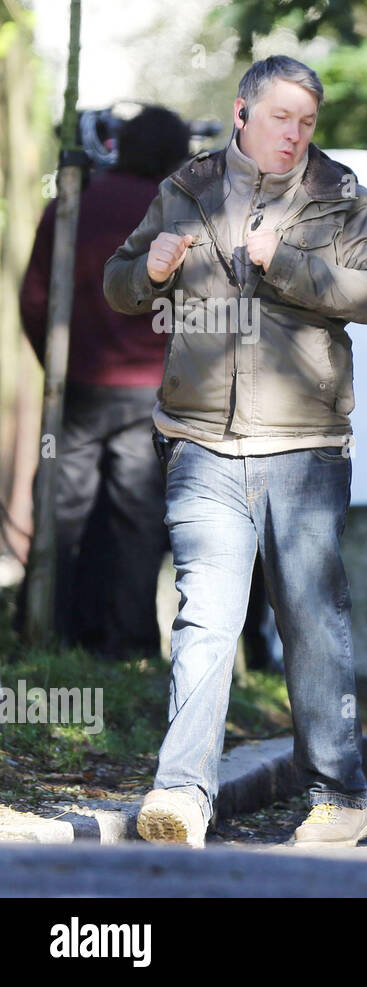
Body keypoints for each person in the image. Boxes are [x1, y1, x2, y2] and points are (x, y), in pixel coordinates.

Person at [104, 55, 367, 849]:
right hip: (200, 443)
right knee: (205, 615)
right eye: (282, 118)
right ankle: (181, 793)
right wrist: (150, 271)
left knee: (311, 619)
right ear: (242, 112)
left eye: (308, 122)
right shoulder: (187, 186)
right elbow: (117, 283)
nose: (296, 135)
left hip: (304, 445)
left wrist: (293, 265)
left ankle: (339, 794)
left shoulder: (342, 194)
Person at [18, 106, 191, 660]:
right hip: (152, 389)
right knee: (138, 521)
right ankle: (130, 643)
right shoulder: (179, 212)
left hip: (80, 386)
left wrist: (58, 366)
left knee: (61, 512)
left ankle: (44, 629)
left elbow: (35, 299)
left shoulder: (70, 204)